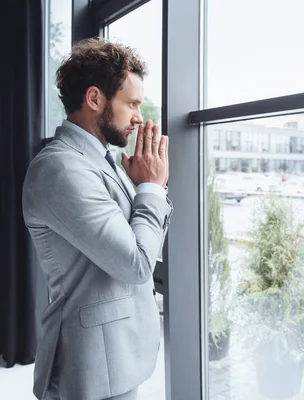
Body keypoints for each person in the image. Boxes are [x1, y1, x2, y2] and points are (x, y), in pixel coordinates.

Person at [22, 38, 172, 400]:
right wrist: (151, 188)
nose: (139, 115)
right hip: (91, 368)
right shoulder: (61, 168)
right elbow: (136, 263)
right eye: (132, 103)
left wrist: (144, 185)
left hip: (117, 355)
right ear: (94, 99)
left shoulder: (101, 159)